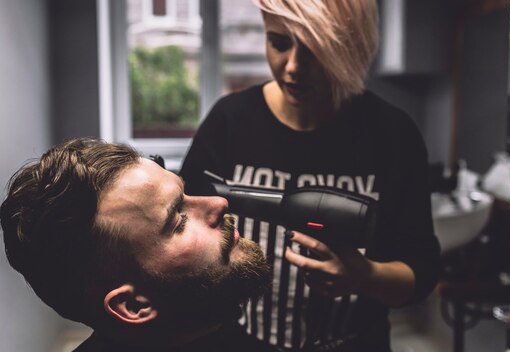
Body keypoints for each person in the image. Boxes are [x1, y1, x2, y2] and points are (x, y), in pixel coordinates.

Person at [179, 0, 441, 351]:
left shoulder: (392, 133)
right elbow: (187, 231)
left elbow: (421, 273)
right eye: (279, 42)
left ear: (351, 45)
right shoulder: (229, 122)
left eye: (316, 47)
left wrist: (366, 277)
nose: (293, 67)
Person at [0, 138, 274, 352]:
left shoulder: (216, 323)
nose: (218, 204)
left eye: (185, 192)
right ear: (133, 305)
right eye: (178, 220)